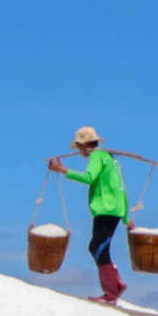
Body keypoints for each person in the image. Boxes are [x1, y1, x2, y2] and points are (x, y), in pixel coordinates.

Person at [48, 126, 130, 304]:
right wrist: (125, 216)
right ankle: (117, 284)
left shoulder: (97, 156)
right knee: (95, 247)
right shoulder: (108, 158)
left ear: (83, 145)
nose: (79, 152)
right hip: (111, 209)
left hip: (106, 209)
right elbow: (120, 187)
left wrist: (62, 171)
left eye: (78, 147)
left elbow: (89, 178)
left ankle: (111, 293)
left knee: (99, 247)